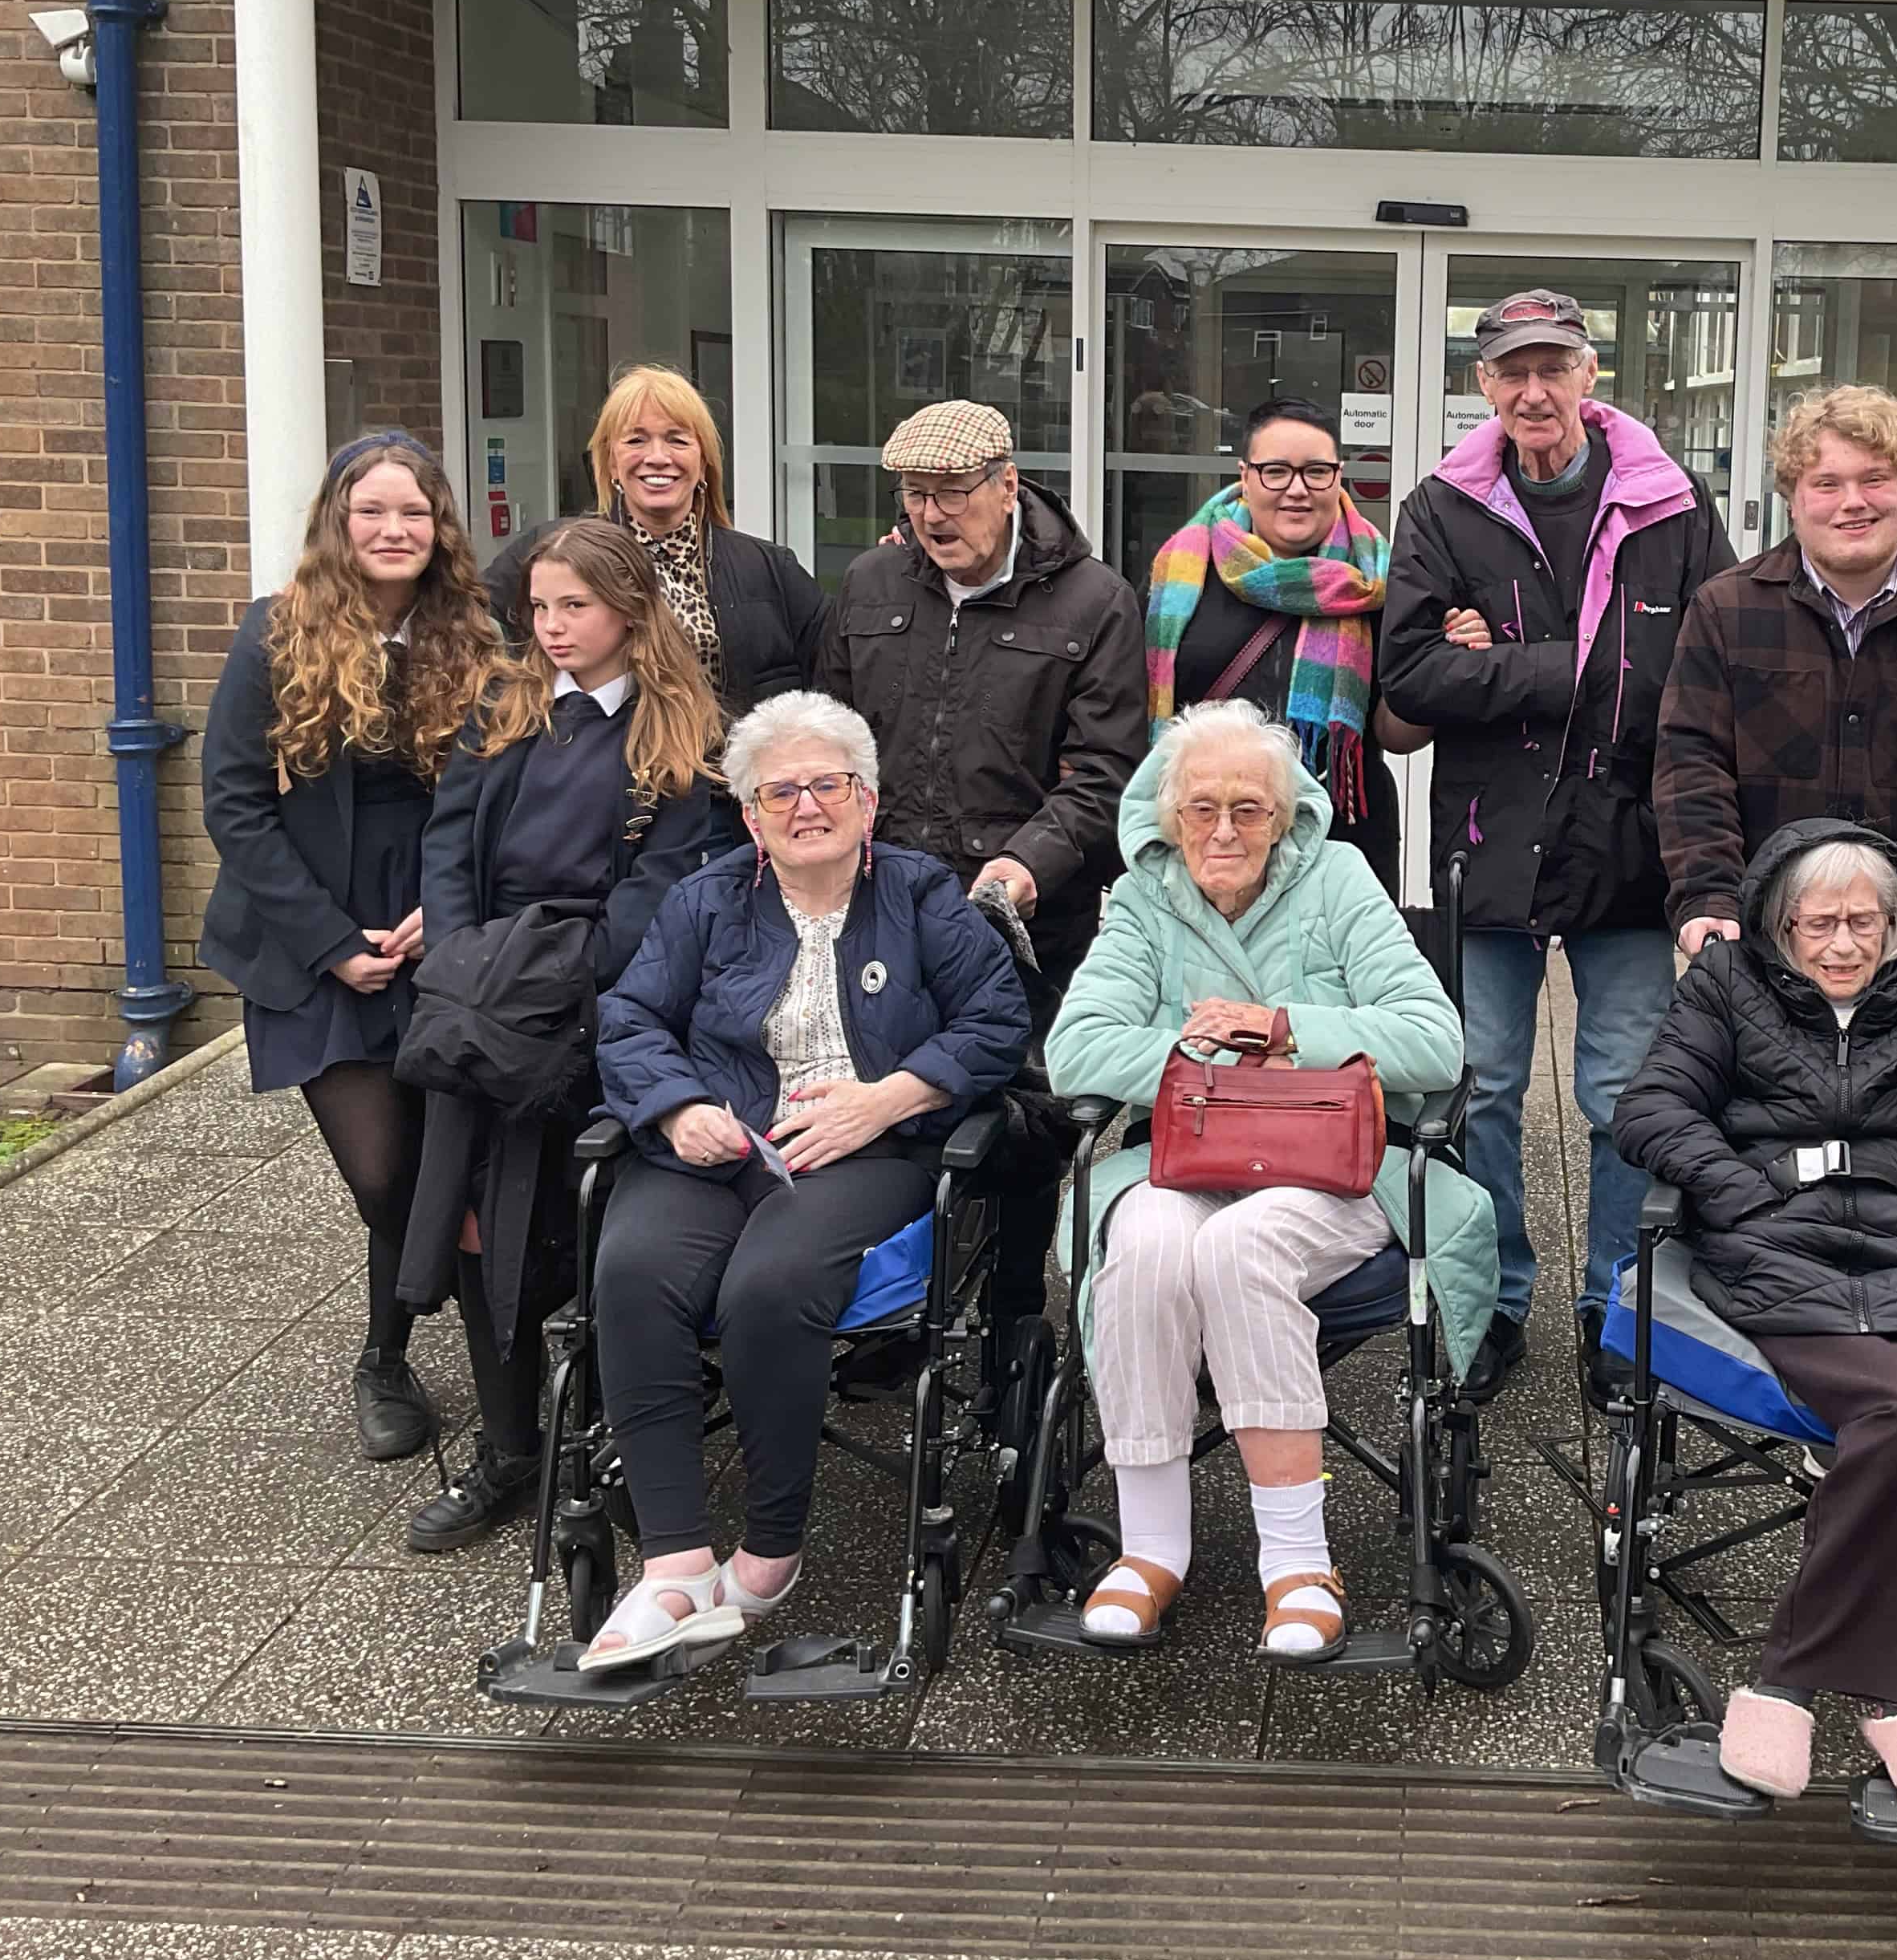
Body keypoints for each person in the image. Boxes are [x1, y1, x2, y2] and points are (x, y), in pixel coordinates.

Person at [1612, 819, 1897, 1816]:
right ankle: (1850, 1694)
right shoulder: (1728, 991)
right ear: (1779, 925)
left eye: (1866, 921)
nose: (1844, 944)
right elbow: (1650, 1108)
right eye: (1819, 923)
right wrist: (1741, 1196)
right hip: (1787, 1261)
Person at [581, 691, 1030, 1669]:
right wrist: (675, 1108)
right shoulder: (707, 899)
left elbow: (996, 1024)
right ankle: (674, 1567)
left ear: (868, 801)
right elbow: (629, 1018)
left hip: (868, 1152)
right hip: (720, 1141)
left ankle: (772, 1548)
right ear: (749, 816)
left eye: (827, 784)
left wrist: (891, 1097)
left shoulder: (921, 897)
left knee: (772, 1285)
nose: (805, 806)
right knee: (631, 1271)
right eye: (778, 792)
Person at [1042, 703, 1493, 1661]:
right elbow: (1075, 1050)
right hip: (1195, 1155)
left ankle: (1297, 1563)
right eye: (1201, 809)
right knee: (1146, 1239)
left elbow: (1437, 1039)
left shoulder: (1339, 878)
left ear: (1287, 817)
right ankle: (1152, 1548)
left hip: (1335, 1168)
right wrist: (1203, 1057)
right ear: (1167, 819)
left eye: (1249, 809)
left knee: (1241, 1247)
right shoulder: (1143, 896)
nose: (1222, 831)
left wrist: (1281, 1028)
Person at [1380, 290, 1737, 1403]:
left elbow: (1708, 669)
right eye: (1511, 372)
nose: (1535, 391)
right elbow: (1410, 677)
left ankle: (1621, 1314)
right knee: (1478, 1088)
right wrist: (1565, 665)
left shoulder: (1673, 502)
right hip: (1487, 841)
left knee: (1627, 1093)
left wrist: (1506, 660)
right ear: (1484, 386)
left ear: (1591, 376)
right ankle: (1491, 1307)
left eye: (1555, 367)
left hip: (1632, 839)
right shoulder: (1443, 508)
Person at [396, 517, 724, 1551]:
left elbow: (668, 893)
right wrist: (458, 966)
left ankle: (604, 1442)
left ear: (629, 610)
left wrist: (557, 991)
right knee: (473, 1229)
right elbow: (448, 852)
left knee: (581, 1238)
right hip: (482, 993)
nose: (551, 628)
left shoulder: (686, 732)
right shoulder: (503, 713)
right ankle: (507, 1451)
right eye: (537, 609)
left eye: (572, 607)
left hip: (592, 1007)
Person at [200, 431, 502, 1463]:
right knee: (385, 1173)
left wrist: (442, 909)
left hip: (436, 916)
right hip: (310, 928)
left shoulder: (475, 634)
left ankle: (418, 1355)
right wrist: (332, 942)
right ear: (339, 521)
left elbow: (496, 794)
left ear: (440, 527)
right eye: (372, 511)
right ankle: (403, 1357)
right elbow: (235, 808)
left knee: (440, 1153)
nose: (393, 529)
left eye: (413, 512)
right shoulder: (276, 634)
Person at [817, 399, 1146, 1322]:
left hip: (1024, 917)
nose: (933, 514)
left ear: (1008, 485)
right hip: (878, 905)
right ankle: (893, 1303)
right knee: (883, 1101)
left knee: (1019, 1118)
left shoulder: (1094, 600)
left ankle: (1013, 1319)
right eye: (916, 495)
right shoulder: (873, 583)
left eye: (953, 492)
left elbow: (1109, 772)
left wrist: (1021, 865)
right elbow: (830, 738)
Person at [1659, 383, 1897, 981]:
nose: (1853, 502)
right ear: (1792, 498)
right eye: (1827, 483)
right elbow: (1692, 765)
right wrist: (1708, 898)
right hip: (1770, 948)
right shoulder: (1724, 612)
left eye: (1875, 479)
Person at [1143, 396, 1430, 898]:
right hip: (1211, 843)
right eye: (1276, 471)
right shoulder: (1182, 571)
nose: (1297, 490)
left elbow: (1396, 733)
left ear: (1339, 476)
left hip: (1341, 849)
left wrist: (1440, 669)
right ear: (1245, 475)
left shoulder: (1381, 581)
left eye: (1316, 472)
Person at [484, 365, 828, 741]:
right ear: (611, 461)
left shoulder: (767, 568)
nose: (658, 457)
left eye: (678, 441)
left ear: (704, 464)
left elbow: (838, 667)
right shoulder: (555, 551)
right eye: (636, 441)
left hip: (723, 791)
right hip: (596, 787)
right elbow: (469, 627)